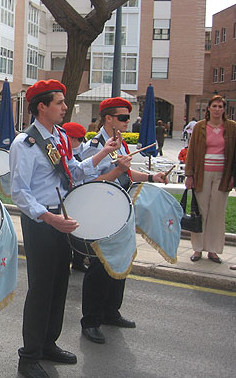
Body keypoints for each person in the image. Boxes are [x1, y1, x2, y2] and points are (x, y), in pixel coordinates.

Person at [9, 79, 122, 378]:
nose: (65, 107)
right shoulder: (26, 143)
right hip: (42, 221)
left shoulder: (58, 136)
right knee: (41, 289)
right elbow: (19, 192)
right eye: (59, 102)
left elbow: (72, 170)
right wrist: (49, 217)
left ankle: (49, 343)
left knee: (60, 283)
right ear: (42, 106)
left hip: (63, 218)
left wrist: (102, 153)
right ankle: (29, 355)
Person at [79, 97, 168, 346]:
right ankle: (91, 321)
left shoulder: (120, 144)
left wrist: (152, 175)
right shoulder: (95, 146)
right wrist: (117, 171)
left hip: (122, 206)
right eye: (123, 117)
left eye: (128, 117)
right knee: (99, 266)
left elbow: (127, 172)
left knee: (121, 258)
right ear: (108, 118)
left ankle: (110, 311)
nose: (127, 121)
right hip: (102, 209)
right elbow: (86, 183)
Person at [185, 95, 236, 264]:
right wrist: (189, 175)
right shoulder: (200, 127)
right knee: (201, 211)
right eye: (214, 106)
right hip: (202, 174)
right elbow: (191, 152)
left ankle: (213, 250)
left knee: (217, 213)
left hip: (223, 175)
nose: (217, 109)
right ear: (208, 108)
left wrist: (232, 177)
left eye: (220, 106)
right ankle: (198, 248)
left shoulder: (231, 127)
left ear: (224, 109)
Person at [61, 121, 89, 273]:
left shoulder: (86, 149)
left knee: (80, 229)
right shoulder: (64, 151)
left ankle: (78, 260)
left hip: (83, 194)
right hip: (68, 195)